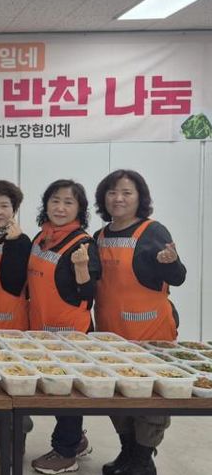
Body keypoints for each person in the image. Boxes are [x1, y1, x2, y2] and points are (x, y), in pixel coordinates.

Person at [94, 170, 186, 475]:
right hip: (111, 334)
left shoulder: (152, 231)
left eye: (126, 192)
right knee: (118, 396)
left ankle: (144, 460)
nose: (118, 198)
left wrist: (171, 263)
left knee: (150, 399)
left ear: (139, 198)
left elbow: (178, 277)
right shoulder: (100, 236)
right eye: (112, 192)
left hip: (151, 333)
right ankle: (128, 452)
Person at [28, 179, 99, 475]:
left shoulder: (83, 243)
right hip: (41, 330)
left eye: (68, 202)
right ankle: (77, 440)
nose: (60, 207)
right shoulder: (41, 237)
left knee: (67, 392)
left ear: (79, 209)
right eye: (55, 200)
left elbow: (89, 294)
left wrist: (81, 268)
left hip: (71, 334)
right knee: (55, 390)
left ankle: (66, 452)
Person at [0, 180, 33, 451]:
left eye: (4, 206)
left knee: (13, 380)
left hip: (11, 320)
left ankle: (15, 440)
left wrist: (12, 244)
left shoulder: (21, 241)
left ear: (15, 209)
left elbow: (14, 282)